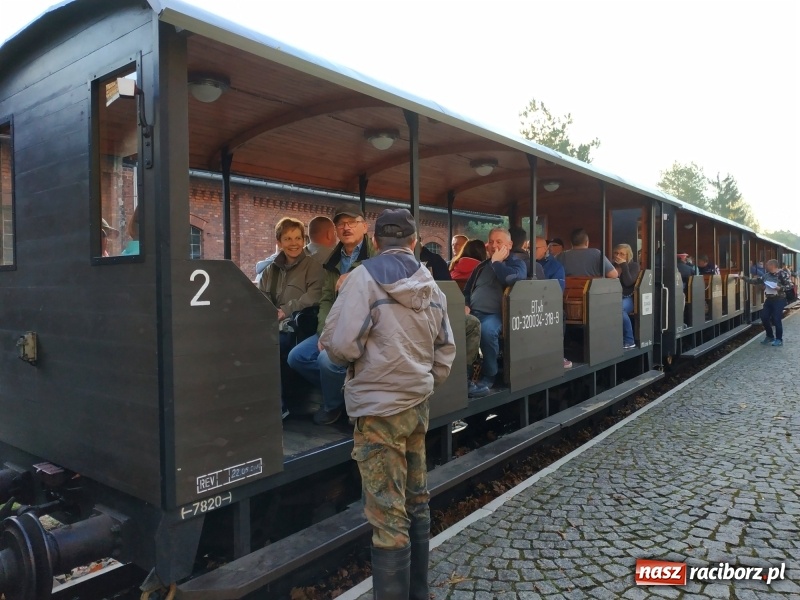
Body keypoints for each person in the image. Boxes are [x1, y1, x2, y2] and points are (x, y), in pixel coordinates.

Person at [320, 208, 456, 600]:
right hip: (416, 404)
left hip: (378, 409)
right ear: (413, 242)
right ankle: (419, 593)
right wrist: (423, 382)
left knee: (387, 515)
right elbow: (445, 349)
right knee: (417, 499)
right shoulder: (430, 283)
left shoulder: (362, 278)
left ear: (376, 241)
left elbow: (340, 347)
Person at [287, 206, 377, 425]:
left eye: (352, 222)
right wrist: (324, 332)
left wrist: (354, 277)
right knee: (297, 357)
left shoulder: (376, 257)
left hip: (364, 327)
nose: (346, 227)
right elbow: (327, 298)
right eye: (341, 224)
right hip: (335, 326)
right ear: (335, 229)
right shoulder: (332, 260)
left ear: (364, 227)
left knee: (326, 361)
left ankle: (332, 405)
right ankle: (343, 395)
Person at [258, 217, 324, 418]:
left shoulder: (313, 266)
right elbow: (261, 298)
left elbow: (314, 296)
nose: (294, 243)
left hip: (300, 327)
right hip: (274, 325)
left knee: (273, 346)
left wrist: (286, 310)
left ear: (304, 240)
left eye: (298, 238)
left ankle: (278, 407)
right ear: (279, 242)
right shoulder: (270, 271)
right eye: (287, 238)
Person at [463, 228, 526, 389]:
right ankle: (465, 374)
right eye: (491, 242)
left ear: (509, 245)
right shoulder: (481, 266)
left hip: (498, 315)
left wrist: (497, 262)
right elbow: (467, 290)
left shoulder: (517, 264)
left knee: (487, 331)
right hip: (473, 313)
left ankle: (489, 375)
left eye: (499, 242)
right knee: (454, 327)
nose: (493, 245)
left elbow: (511, 279)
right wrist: (466, 304)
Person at [533, 237, 571, 368]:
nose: (531, 251)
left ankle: (557, 353)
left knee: (559, 314)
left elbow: (557, 291)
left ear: (545, 249)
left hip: (546, 304)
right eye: (528, 248)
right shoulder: (524, 263)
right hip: (526, 304)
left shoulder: (555, 266)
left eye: (535, 248)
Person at [744, 259, 791, 347]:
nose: (766, 266)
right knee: (764, 317)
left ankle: (779, 339)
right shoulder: (766, 275)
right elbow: (756, 281)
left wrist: (780, 288)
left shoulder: (782, 274)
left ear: (772, 265)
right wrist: (743, 278)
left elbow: (789, 286)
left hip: (779, 299)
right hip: (769, 299)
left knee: (776, 319)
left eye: (767, 265)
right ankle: (770, 336)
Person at [612, 243, 640, 349]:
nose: (618, 256)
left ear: (628, 256)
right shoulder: (610, 266)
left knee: (619, 309)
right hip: (612, 298)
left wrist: (624, 265)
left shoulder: (634, 266)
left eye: (622, 254)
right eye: (616, 253)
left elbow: (628, 282)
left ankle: (629, 340)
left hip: (627, 298)